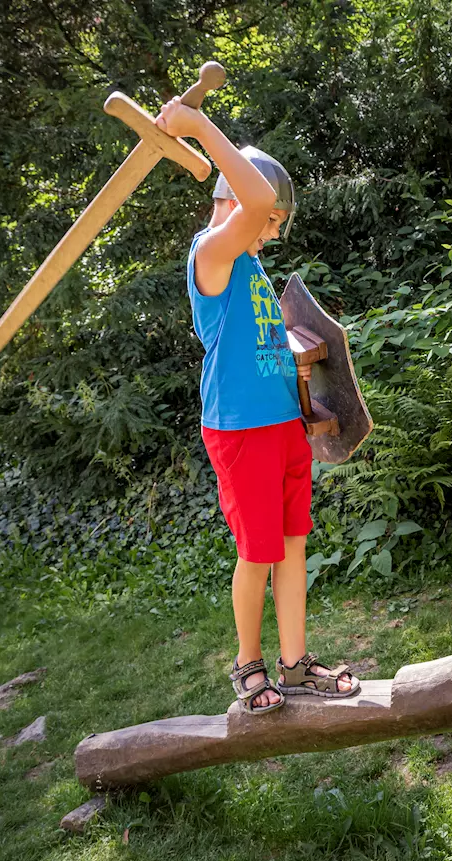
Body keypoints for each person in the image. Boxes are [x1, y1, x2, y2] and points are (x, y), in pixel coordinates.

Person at [154, 97, 360, 714]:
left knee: (293, 543)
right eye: (273, 221)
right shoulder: (211, 256)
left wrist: (306, 405)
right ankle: (248, 664)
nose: (273, 232)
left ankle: (295, 666)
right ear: (237, 204)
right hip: (239, 429)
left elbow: (268, 348)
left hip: (281, 426)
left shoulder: (251, 269)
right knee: (257, 552)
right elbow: (253, 201)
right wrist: (197, 128)